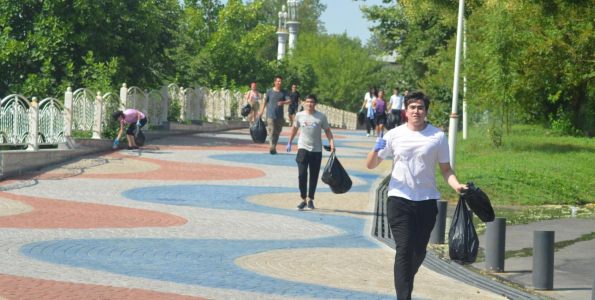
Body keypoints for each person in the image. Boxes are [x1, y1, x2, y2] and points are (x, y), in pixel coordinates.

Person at [365, 92, 466, 300]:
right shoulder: (394, 135)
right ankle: (404, 296)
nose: (416, 111)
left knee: (419, 251)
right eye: (412, 108)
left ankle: (404, 278)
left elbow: (446, 169)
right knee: (404, 249)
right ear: (406, 111)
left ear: (426, 111)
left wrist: (456, 186)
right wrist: (374, 151)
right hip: (399, 199)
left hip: (427, 201)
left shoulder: (437, 136)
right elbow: (371, 164)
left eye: (420, 108)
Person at [287, 94, 335, 210]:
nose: (309, 104)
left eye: (312, 102)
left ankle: (310, 199)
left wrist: (332, 143)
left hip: (316, 150)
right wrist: (290, 142)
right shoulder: (299, 115)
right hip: (302, 148)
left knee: (314, 176)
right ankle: (303, 199)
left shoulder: (321, 117)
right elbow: (294, 128)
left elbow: (327, 131)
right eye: (307, 102)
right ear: (304, 103)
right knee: (302, 174)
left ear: (315, 103)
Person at [258, 76, 291, 155]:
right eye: (278, 81)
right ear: (275, 82)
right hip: (270, 115)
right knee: (271, 130)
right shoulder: (269, 91)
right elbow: (265, 102)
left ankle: (274, 146)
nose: (280, 83)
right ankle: (271, 147)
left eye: (281, 81)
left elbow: (289, 101)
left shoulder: (284, 92)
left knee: (277, 132)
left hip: (279, 116)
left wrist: (283, 102)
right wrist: (261, 111)